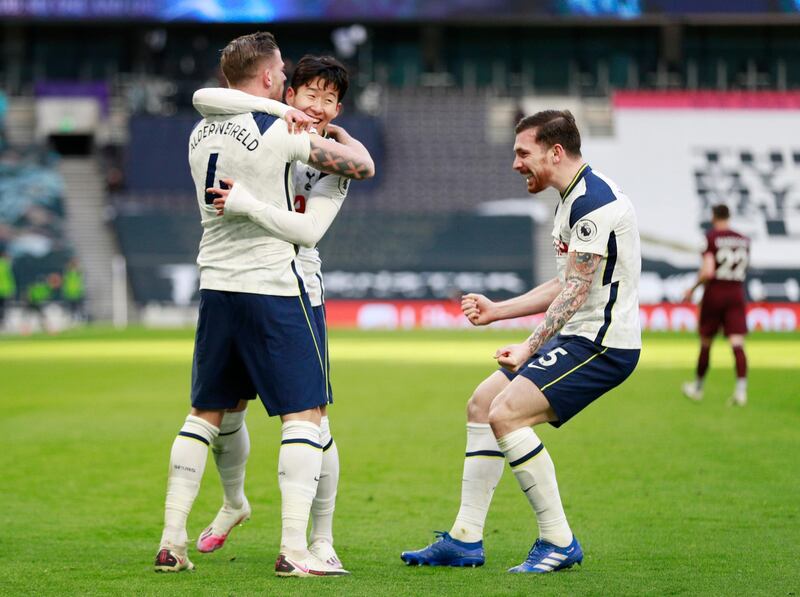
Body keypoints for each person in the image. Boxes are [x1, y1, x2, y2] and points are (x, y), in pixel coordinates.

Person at [153, 31, 374, 577]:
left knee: (214, 411)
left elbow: (316, 215)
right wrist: (256, 196)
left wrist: (315, 130)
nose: (314, 105)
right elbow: (362, 168)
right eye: (305, 91)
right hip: (278, 287)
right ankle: (298, 548)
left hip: (222, 285)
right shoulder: (283, 132)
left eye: (329, 100)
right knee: (307, 416)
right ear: (279, 82)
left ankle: (175, 537)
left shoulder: (202, 129)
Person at [401, 110, 641, 574]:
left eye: (522, 153)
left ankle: (558, 539)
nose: (515, 163)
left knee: (506, 414)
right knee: (482, 403)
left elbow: (575, 293)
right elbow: (566, 282)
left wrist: (529, 347)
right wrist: (498, 311)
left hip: (602, 344)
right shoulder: (573, 197)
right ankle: (465, 539)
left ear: (555, 151)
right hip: (578, 334)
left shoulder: (592, 203)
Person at [681, 204, 750, 406]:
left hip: (716, 292)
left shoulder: (711, 238)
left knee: (706, 342)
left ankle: (698, 388)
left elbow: (708, 271)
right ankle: (741, 391)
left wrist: (692, 290)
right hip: (736, 292)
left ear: (713, 217)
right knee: (737, 343)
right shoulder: (744, 240)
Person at [61, 258, 86, 322]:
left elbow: (81, 282)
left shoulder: (78, 273)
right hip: (70, 294)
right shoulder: (68, 273)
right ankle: (73, 320)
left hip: (78, 294)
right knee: (72, 309)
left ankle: (81, 320)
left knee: (79, 309)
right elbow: (65, 283)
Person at [0, 251, 15, 329]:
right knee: (3, 308)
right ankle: (2, 322)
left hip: (3, 290)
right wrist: (12, 289)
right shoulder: (5, 265)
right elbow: (9, 278)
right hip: (4, 290)